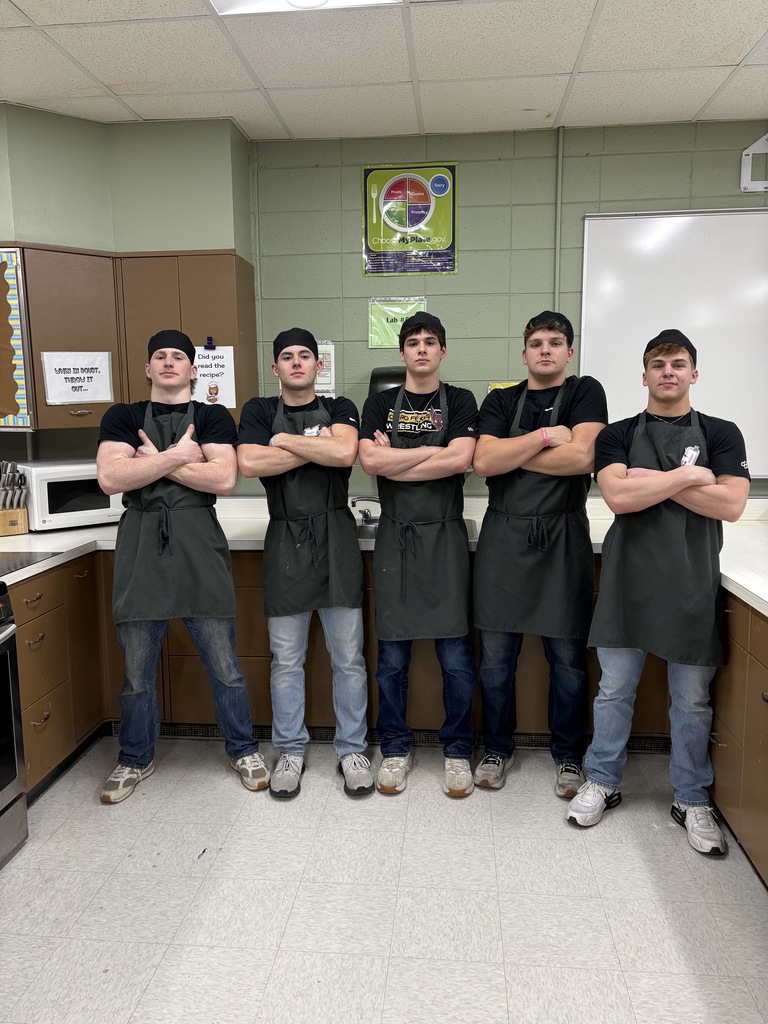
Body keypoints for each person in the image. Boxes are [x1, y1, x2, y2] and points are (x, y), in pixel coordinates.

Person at [567, 329, 750, 855]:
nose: (667, 372)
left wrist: (657, 479)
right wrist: (693, 478)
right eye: (657, 364)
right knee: (613, 692)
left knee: (691, 702)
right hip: (628, 584)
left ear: (694, 374)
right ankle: (602, 780)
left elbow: (732, 506)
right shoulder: (617, 434)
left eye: (678, 364)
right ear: (643, 375)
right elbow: (620, 498)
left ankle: (691, 797)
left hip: (691, 583)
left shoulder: (722, 432)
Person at [98, 329, 268, 804]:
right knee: (137, 669)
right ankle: (134, 758)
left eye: (178, 357)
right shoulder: (124, 415)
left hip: (197, 544)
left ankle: (243, 749)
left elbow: (225, 477)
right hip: (140, 547)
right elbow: (111, 477)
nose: (169, 362)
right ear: (148, 369)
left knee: (224, 662)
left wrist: (151, 461)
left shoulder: (212, 416)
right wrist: (179, 456)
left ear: (193, 371)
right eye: (160, 356)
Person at [472, 311, 608, 796]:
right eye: (536, 343)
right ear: (524, 352)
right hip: (503, 541)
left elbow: (585, 458)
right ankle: (495, 747)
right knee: (495, 661)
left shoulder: (585, 391)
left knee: (568, 660)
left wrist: (514, 453)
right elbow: (484, 461)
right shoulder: (500, 399)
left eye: (555, 342)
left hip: (562, 540)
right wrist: (548, 436)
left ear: (569, 352)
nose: (545, 350)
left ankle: (569, 755)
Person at [237, 328, 372, 800]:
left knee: (349, 659)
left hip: (336, 540)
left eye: (305, 356)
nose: (297, 363)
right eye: (287, 357)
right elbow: (250, 464)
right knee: (287, 660)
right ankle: (290, 751)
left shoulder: (341, 409)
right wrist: (308, 446)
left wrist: (282, 442)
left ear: (318, 366)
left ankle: (352, 749)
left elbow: (343, 452)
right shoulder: (257, 411)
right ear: (275, 368)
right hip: (285, 541)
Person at [358, 312, 479, 798]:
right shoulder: (380, 403)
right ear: (402, 352)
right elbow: (370, 461)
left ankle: (456, 751)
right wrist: (435, 453)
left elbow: (462, 459)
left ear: (443, 351)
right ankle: (394, 748)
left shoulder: (463, 400)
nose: (422, 349)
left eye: (431, 342)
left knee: (456, 658)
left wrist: (398, 461)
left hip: (444, 539)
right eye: (413, 342)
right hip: (396, 540)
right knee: (391, 659)